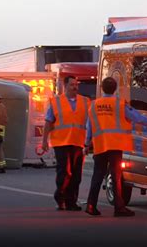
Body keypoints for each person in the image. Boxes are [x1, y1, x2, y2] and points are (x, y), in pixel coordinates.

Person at [84, 77, 147, 217]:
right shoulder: (119, 104)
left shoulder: (94, 105)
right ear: (115, 89)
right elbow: (137, 117)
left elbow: (89, 126)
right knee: (116, 176)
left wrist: (86, 144)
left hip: (100, 145)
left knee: (97, 176)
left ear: (102, 88)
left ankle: (90, 205)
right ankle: (119, 208)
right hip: (115, 145)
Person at [42, 75, 90, 211]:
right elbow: (48, 122)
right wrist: (44, 141)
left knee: (76, 174)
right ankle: (60, 197)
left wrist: (89, 141)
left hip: (78, 142)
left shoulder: (86, 102)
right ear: (65, 86)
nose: (75, 87)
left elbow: (92, 122)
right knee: (65, 172)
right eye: (72, 85)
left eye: (76, 85)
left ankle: (71, 201)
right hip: (61, 142)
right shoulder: (56, 102)